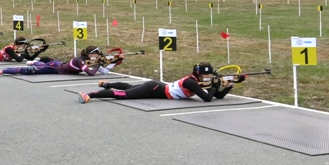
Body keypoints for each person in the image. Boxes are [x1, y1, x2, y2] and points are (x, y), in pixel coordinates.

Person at [79, 62, 243, 103]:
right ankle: (90, 95)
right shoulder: (191, 82)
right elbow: (207, 99)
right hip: (155, 89)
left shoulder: (199, 81)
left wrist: (229, 84)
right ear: (199, 75)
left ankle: (107, 84)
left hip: (158, 88)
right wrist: (215, 85)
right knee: (125, 95)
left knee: (131, 87)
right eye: (206, 77)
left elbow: (218, 97)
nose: (208, 79)